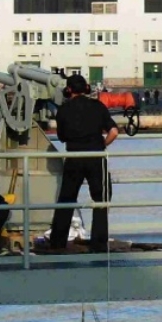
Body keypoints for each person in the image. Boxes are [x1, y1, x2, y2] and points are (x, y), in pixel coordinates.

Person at [49, 74, 118, 252]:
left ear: (68, 89)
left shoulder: (63, 110)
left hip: (74, 157)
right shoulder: (98, 106)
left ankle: (57, 242)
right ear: (87, 88)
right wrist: (102, 144)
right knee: (101, 199)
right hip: (96, 157)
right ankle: (99, 243)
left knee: (66, 199)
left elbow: (62, 136)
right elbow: (114, 132)